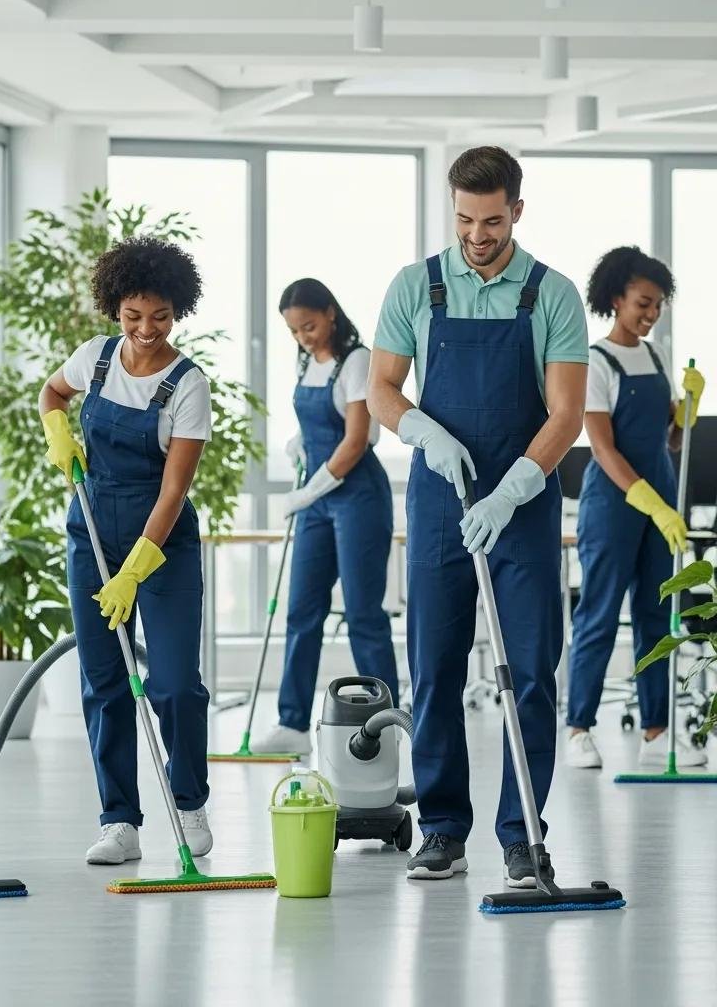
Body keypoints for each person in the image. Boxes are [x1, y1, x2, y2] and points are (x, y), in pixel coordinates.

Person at [369, 146, 588, 886]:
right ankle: (441, 829)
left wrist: (516, 486)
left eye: (492, 221)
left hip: (521, 504)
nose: (476, 235)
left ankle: (522, 834)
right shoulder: (414, 286)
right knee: (432, 669)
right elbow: (383, 390)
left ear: (516, 212)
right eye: (464, 219)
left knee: (531, 673)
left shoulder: (552, 294)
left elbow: (566, 414)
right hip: (439, 499)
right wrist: (421, 431)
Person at [39, 235, 213, 866]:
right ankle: (120, 821)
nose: (146, 330)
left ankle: (189, 803)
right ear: (116, 308)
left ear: (178, 312)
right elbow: (51, 393)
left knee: (172, 684)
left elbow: (173, 491)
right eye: (134, 316)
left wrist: (136, 568)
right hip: (91, 534)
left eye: (160, 318)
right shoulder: (96, 358)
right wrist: (58, 429)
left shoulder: (188, 384)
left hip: (162, 545)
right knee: (104, 681)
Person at [565, 247, 708, 768]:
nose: (651, 315)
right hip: (614, 504)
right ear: (615, 297)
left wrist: (687, 409)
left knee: (657, 615)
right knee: (599, 617)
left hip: (661, 502)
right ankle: (578, 727)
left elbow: (668, 441)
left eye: (658, 306)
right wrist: (648, 501)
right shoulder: (594, 361)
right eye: (644, 304)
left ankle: (656, 729)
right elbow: (602, 448)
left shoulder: (654, 355)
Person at [252, 278, 398, 755]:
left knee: (362, 614)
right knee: (302, 611)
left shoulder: (357, 361)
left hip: (357, 497)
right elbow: (316, 425)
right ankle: (293, 723)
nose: (304, 338)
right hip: (316, 500)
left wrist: (307, 492)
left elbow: (356, 440)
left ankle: (386, 720)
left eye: (309, 326)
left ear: (330, 313)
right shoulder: (309, 363)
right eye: (295, 332)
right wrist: (299, 445)